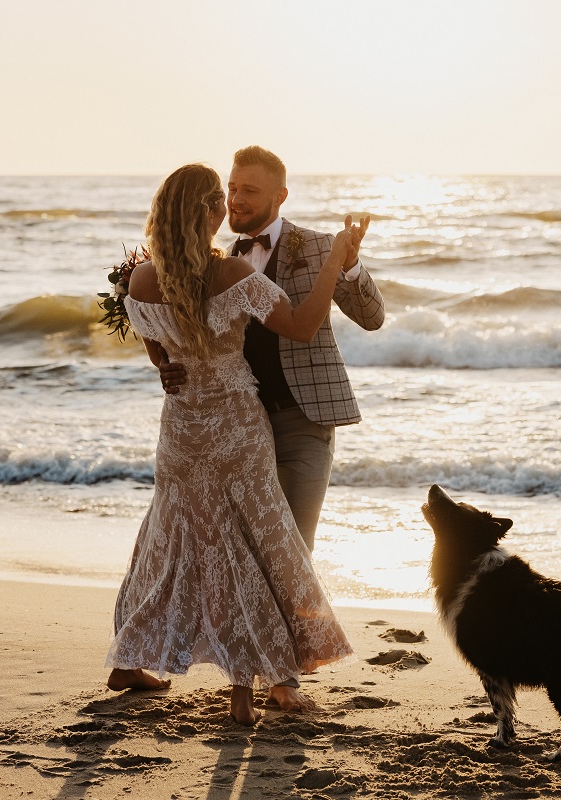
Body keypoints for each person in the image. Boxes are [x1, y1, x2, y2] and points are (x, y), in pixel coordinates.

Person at [105, 164, 359, 725]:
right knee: (251, 546)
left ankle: (129, 658)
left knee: (168, 544)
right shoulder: (231, 275)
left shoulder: (142, 281)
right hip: (237, 430)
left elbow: (157, 348)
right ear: (208, 214)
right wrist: (336, 260)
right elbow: (300, 325)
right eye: (220, 201)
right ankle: (255, 682)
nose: (228, 207)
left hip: (180, 431)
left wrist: (169, 366)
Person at [158, 146, 385, 552]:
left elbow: (373, 318)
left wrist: (348, 264)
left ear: (280, 196)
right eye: (231, 188)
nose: (236, 200)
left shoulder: (319, 248)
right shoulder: (216, 264)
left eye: (249, 190)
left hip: (304, 421)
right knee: (245, 549)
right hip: (238, 425)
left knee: (297, 547)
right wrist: (166, 364)